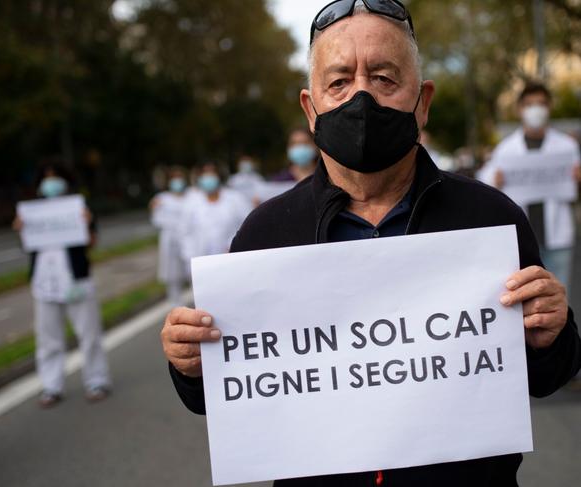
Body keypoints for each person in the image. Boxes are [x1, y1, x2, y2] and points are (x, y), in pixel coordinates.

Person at [161, 1, 581, 485]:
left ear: (422, 102)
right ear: (310, 106)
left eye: (384, 78)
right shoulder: (264, 235)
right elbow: (220, 397)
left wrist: (553, 333)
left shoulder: (489, 219)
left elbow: (545, 376)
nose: (361, 97)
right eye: (339, 81)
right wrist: (190, 365)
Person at [14, 162, 111, 408]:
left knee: (88, 334)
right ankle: (51, 385)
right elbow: (26, 244)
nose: (51, 183)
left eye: (55, 177)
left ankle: (96, 379)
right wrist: (21, 229)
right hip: (44, 281)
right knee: (48, 338)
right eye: (46, 178)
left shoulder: (78, 208)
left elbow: (92, 242)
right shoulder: (32, 212)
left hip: (76, 279)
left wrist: (87, 223)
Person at [479, 82, 581, 290]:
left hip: (557, 238)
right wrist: (493, 179)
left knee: (560, 299)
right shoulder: (506, 150)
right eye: (529, 104)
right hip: (521, 241)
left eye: (541, 103)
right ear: (519, 109)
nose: (536, 109)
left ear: (550, 107)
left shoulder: (567, 148)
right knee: (526, 302)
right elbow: (483, 179)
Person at [178, 163, 253, 263]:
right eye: (204, 173)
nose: (208, 177)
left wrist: (234, 246)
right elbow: (185, 232)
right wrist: (191, 259)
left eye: (212, 173)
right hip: (201, 261)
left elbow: (248, 224)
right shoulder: (191, 202)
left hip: (233, 258)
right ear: (199, 178)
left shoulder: (236, 198)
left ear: (219, 176)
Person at [150, 167, 189, 306]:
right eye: (174, 178)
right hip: (170, 240)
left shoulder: (192, 196)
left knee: (193, 272)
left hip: (188, 239)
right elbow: (157, 219)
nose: (177, 181)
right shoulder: (162, 199)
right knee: (172, 276)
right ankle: (176, 305)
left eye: (179, 177)